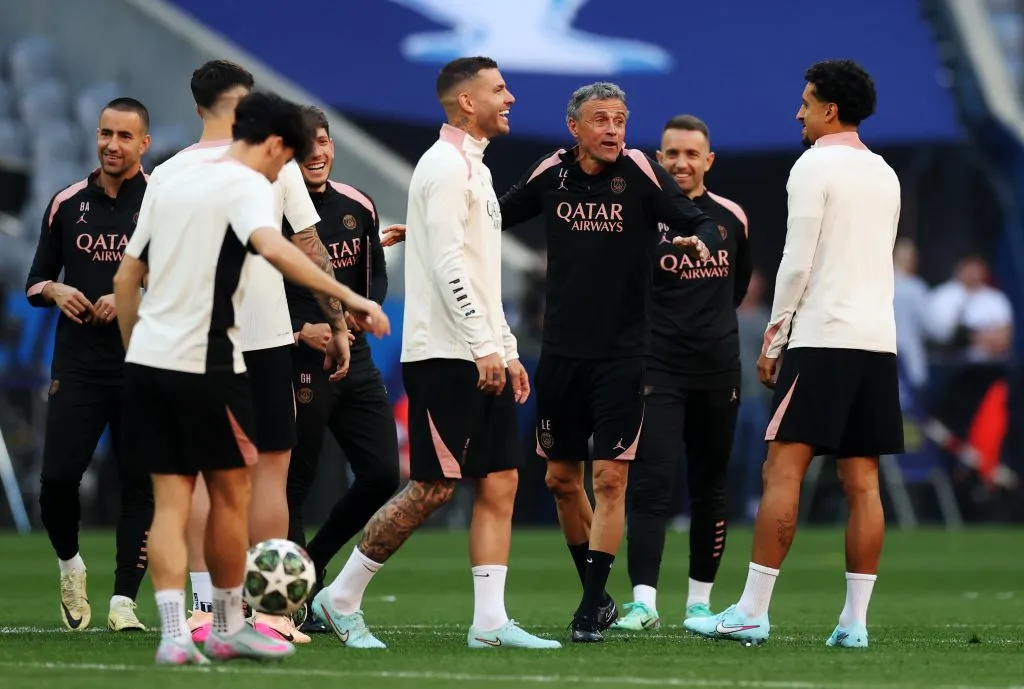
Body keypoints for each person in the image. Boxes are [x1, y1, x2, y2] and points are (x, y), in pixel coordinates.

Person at [113, 90, 389, 665]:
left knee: (172, 501)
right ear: (273, 143)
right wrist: (351, 300)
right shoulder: (242, 183)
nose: (283, 170)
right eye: (285, 156)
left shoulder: (171, 177)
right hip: (209, 360)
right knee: (232, 491)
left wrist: (136, 351)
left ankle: (174, 636)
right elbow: (280, 250)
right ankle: (228, 625)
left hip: (149, 361)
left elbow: (125, 279)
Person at [311, 56, 559, 651]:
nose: (511, 98)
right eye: (499, 89)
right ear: (467, 102)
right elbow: (449, 267)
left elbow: (481, 272)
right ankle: (338, 598)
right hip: (444, 355)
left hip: (479, 352)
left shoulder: (475, 168)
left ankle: (490, 624)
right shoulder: (444, 166)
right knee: (433, 487)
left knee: (500, 481)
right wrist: (483, 345)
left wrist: (507, 349)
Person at [684, 59, 903, 649]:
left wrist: (773, 337)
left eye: (806, 103)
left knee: (781, 470)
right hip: (876, 341)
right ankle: (854, 624)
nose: (798, 113)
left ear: (829, 109)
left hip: (823, 338)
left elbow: (798, 261)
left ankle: (752, 611)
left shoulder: (812, 164)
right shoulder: (885, 172)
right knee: (863, 483)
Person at [496, 83, 722, 642]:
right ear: (574, 126)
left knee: (611, 478)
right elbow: (492, 216)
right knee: (560, 480)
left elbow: (694, 216)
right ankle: (596, 597)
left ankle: (589, 608)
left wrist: (701, 238)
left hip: (623, 355)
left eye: (620, 119)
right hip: (561, 354)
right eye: (601, 119)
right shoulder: (551, 172)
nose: (614, 130)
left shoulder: (640, 170)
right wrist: (432, 228)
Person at [146, 60, 346, 644]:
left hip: (195, 342)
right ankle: (272, 613)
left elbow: (147, 266)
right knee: (270, 473)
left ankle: (204, 609)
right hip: (263, 336)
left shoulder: (169, 173)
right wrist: (337, 321)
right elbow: (307, 244)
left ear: (197, 106)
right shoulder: (272, 160)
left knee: (203, 476)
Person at [610, 114, 751, 632]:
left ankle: (699, 605)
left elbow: (738, 288)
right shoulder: (641, 216)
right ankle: (644, 604)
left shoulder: (732, 218)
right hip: (658, 369)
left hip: (718, 371)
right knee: (652, 485)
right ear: (658, 158)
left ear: (708, 160)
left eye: (692, 154)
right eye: (672, 154)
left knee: (711, 488)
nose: (682, 163)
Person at [25, 98, 155, 633]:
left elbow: (184, 281)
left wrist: (133, 297)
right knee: (57, 480)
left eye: (124, 136)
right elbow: (35, 280)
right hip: (78, 363)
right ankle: (70, 565)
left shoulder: (162, 202)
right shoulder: (66, 202)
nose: (112, 145)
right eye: (105, 133)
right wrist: (56, 290)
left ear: (144, 143)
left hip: (142, 362)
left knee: (139, 484)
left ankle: (124, 600)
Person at [283, 106, 400, 633]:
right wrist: (300, 330)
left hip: (355, 357)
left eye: (325, 140)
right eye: (305, 143)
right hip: (297, 359)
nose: (318, 152)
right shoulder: (269, 212)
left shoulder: (358, 204)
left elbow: (376, 278)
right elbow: (255, 291)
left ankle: (312, 563)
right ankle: (287, 597)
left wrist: (359, 313)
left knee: (382, 474)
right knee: (293, 482)